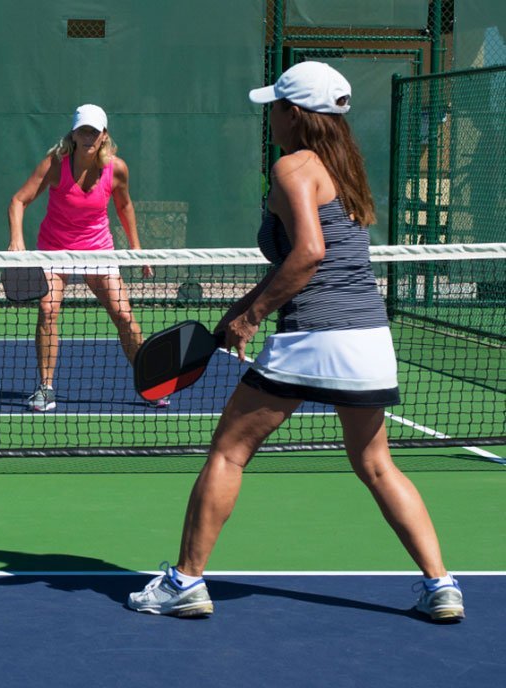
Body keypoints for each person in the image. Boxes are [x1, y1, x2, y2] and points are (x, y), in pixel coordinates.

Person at [126, 62, 463, 622]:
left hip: (315, 334)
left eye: (276, 107)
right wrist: (239, 311)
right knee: (377, 464)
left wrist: (255, 315)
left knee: (230, 452)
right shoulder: (344, 168)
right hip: (370, 340)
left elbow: (309, 254)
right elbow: (301, 260)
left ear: (297, 115)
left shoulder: (293, 167)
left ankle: (185, 582)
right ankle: (441, 585)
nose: (271, 117)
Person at [8, 104, 164, 412]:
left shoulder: (116, 169)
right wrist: (16, 241)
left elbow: (125, 206)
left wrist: (137, 247)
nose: (89, 137)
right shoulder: (56, 164)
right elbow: (18, 200)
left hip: (98, 250)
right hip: (54, 250)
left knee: (123, 316)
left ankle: (151, 382)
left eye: (95, 131)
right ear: (74, 134)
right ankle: (45, 388)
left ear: (104, 136)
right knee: (48, 309)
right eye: (84, 131)